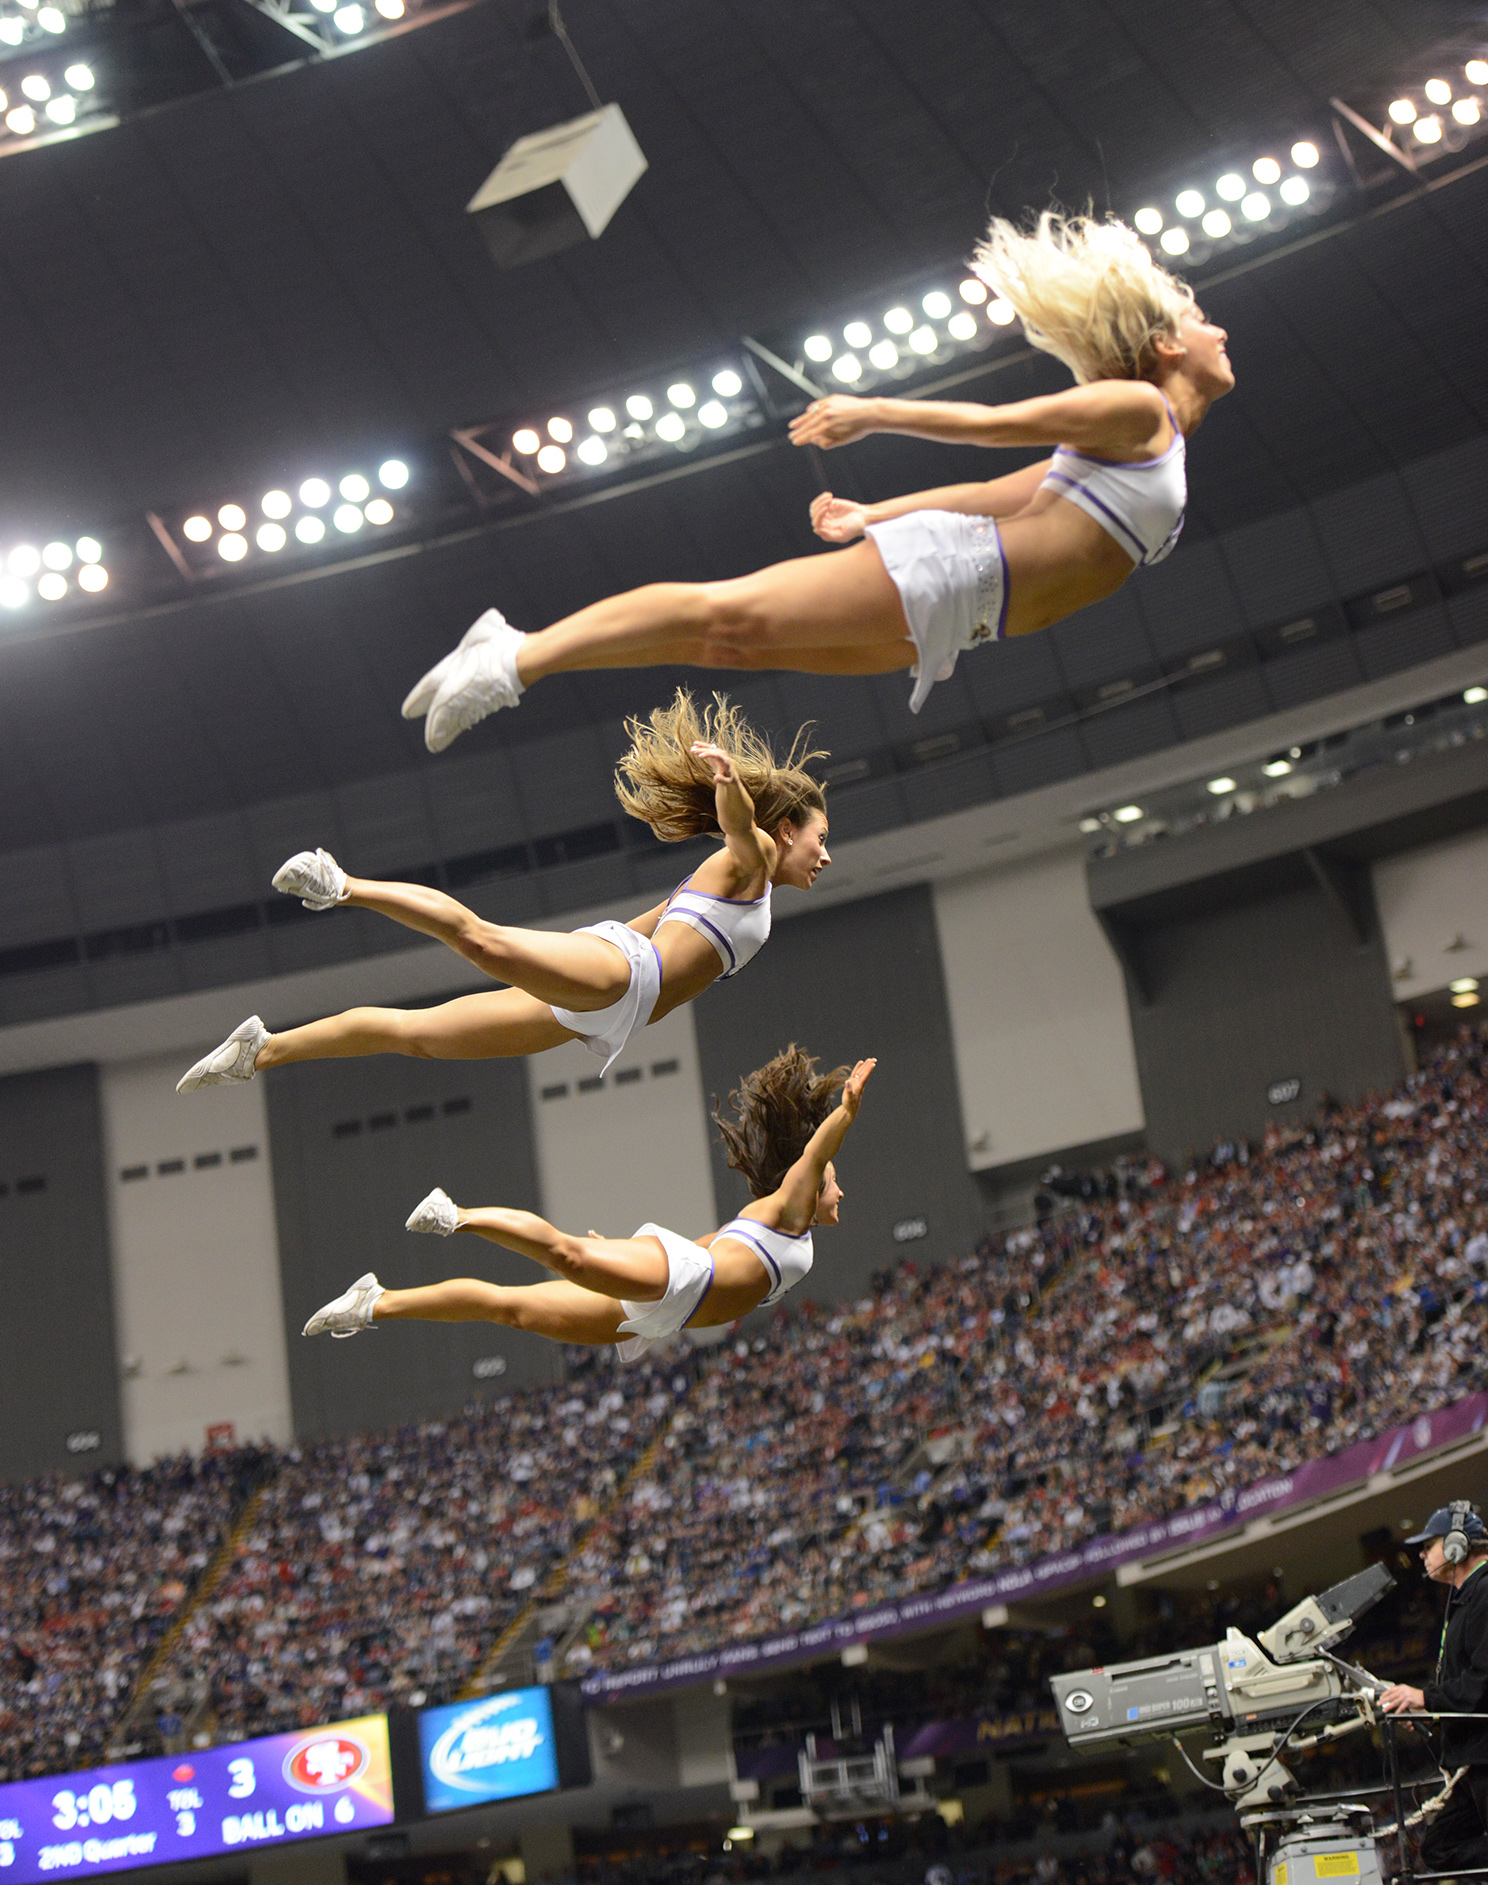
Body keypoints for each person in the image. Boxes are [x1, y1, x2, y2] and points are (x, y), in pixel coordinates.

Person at [402, 210, 1235, 748]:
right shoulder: (1139, 410)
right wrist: (874, 409)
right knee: (728, 611)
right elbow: (993, 425)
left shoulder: (1145, 443)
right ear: (1164, 348)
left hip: (968, 618)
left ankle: (514, 654)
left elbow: (1010, 497)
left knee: (731, 644)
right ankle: (516, 660)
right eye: (1202, 323)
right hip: (958, 576)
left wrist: (882, 509)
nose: (1219, 330)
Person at [176, 693, 829, 1091]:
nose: (824, 856)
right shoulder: (757, 856)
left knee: (421, 1037)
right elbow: (743, 831)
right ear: (787, 829)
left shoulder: (738, 885)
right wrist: (729, 789)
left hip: (608, 1002)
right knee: (478, 940)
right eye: (819, 839)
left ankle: (262, 1051)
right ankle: (340, 884)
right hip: (618, 980)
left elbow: (657, 921)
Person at [301, 1049, 875, 1362]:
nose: (839, 1192)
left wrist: (624, 1256)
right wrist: (845, 1113)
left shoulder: (773, 1224)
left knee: (512, 1310)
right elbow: (816, 1151)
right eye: (832, 1184)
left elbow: (713, 1245)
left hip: (666, 1309)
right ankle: (458, 1216)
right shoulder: (792, 1211)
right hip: (680, 1281)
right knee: (568, 1257)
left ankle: (374, 1303)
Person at [1380, 1501, 1488, 1871]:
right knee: (1438, 1848)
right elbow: (1464, 1683)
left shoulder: (1486, 1592)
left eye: (1430, 1544)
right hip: (1472, 1757)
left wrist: (1425, 1697)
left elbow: (1482, 1684)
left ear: (1458, 1544)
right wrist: (1429, 1711)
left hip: (1483, 1756)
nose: (1422, 1554)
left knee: (1441, 1847)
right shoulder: (1466, 1596)